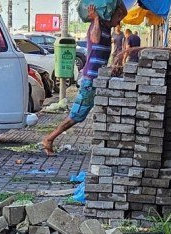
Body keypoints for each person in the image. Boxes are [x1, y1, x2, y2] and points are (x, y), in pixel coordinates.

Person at [41, 4, 124, 156]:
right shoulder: (95, 26)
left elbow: (123, 12)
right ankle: (49, 139)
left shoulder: (108, 30)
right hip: (90, 81)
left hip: (99, 80)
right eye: (117, 16)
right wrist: (96, 18)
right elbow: (95, 38)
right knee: (77, 115)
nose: (119, 20)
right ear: (107, 15)